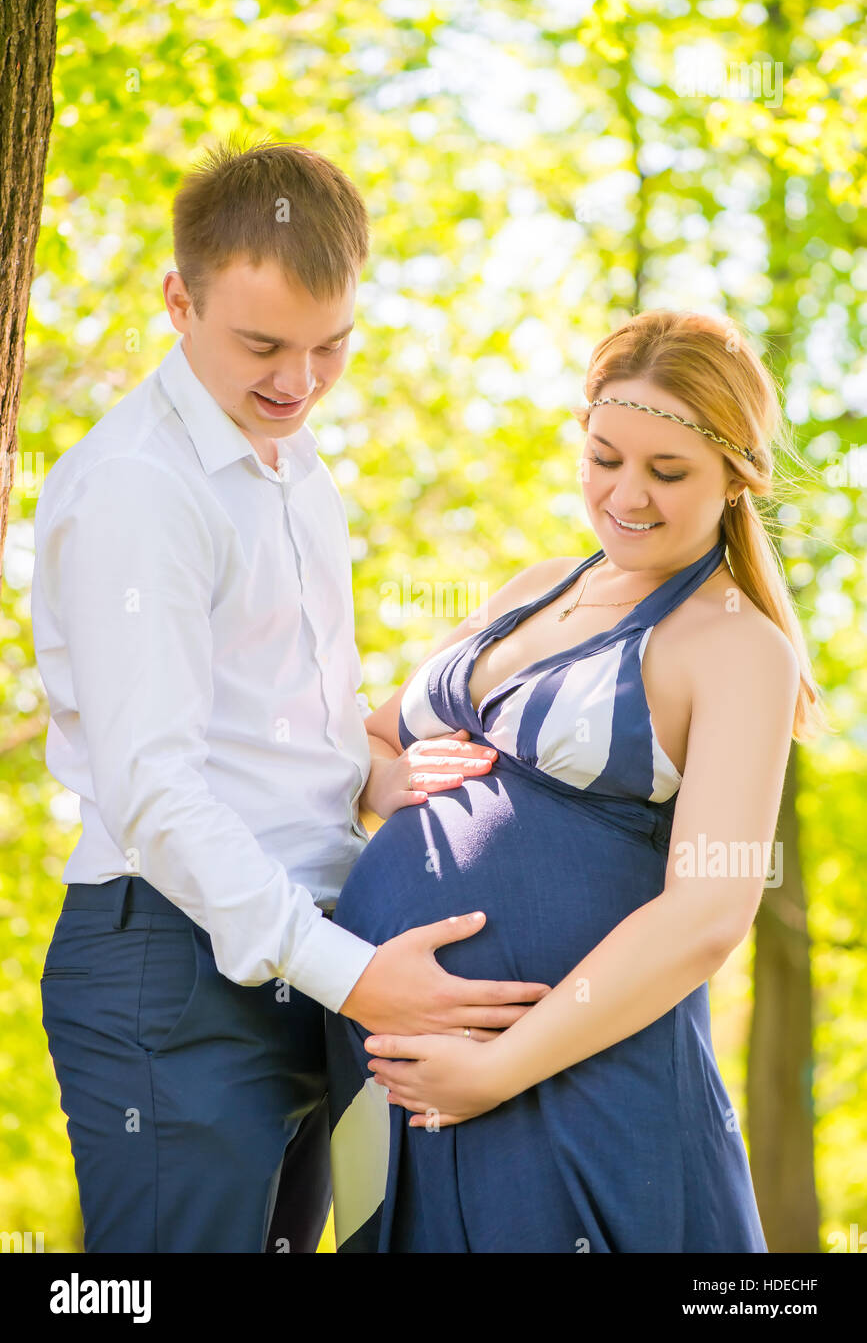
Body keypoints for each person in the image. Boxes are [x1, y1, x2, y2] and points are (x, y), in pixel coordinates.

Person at [31, 137, 548, 1253]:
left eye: (331, 347)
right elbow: (155, 790)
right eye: (262, 344)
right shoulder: (141, 490)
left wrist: (379, 773)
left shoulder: (298, 474)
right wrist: (358, 981)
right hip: (172, 964)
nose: (298, 382)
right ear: (179, 299)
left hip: (305, 955)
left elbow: (273, 722)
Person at [325, 308, 829, 1252]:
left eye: (666, 472)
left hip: (567, 1085)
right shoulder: (533, 588)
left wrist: (496, 1069)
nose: (626, 494)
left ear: (735, 477)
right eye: (604, 458)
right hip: (391, 1073)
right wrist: (383, 783)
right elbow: (368, 742)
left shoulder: (735, 647)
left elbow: (707, 916)